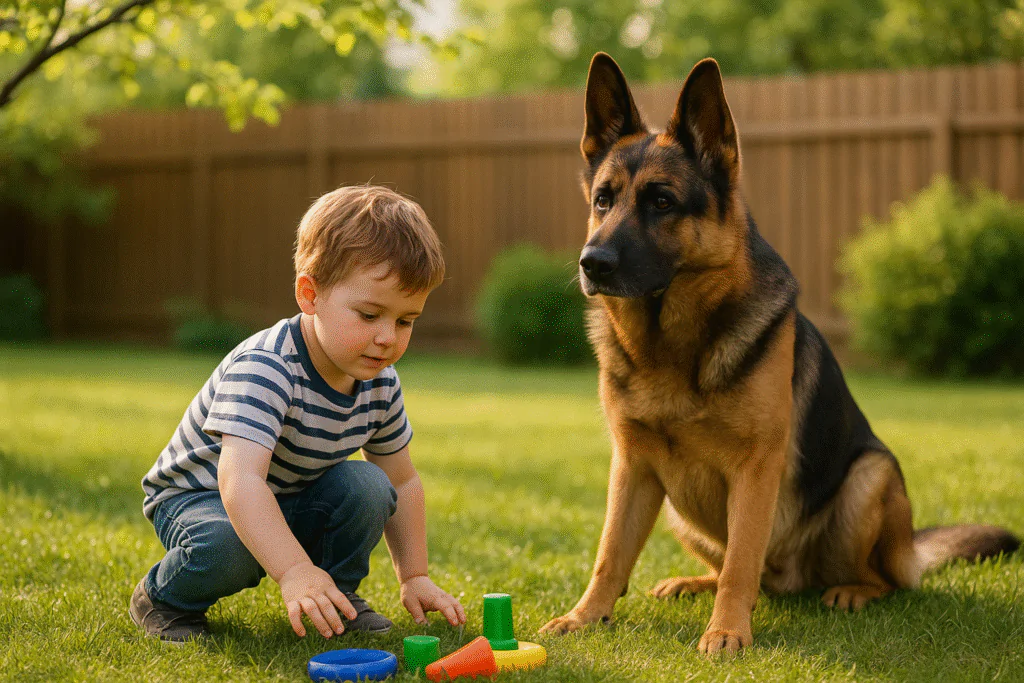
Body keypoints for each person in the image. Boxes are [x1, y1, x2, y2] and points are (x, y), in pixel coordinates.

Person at [130, 185, 465, 642]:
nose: (388, 336)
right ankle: (165, 599)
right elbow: (239, 481)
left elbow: (403, 481)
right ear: (310, 295)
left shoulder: (380, 382)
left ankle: (336, 599)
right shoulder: (267, 367)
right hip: (201, 499)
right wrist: (292, 571)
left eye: (405, 320)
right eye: (369, 315)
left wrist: (414, 575)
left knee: (369, 485)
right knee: (230, 547)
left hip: (289, 494)